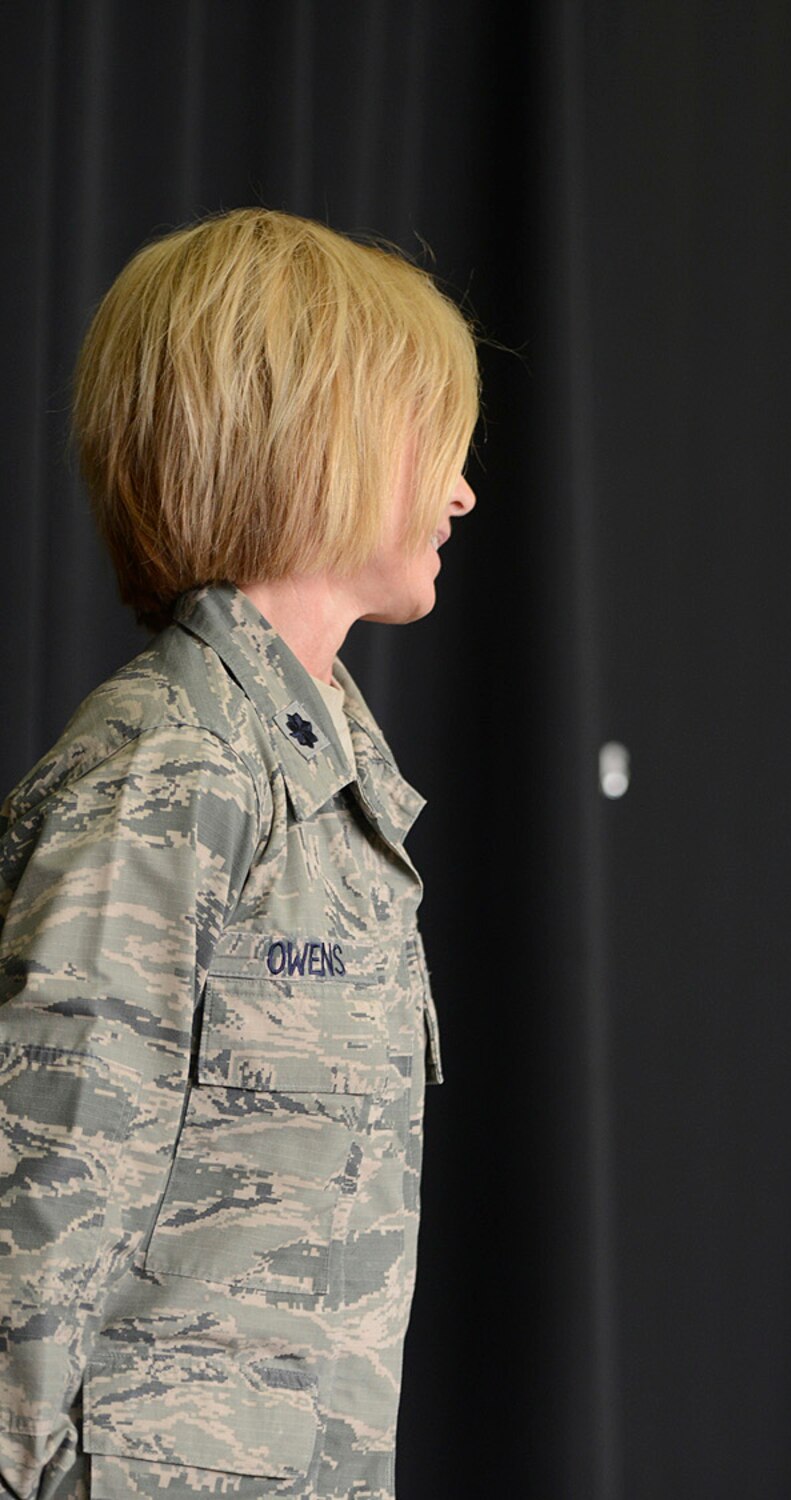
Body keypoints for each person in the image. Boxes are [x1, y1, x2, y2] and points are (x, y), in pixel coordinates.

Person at [0, 209, 477, 1499]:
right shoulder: (173, 772)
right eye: (435, 444)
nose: (462, 491)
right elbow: (34, 1234)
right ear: (314, 441)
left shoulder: (331, 789)